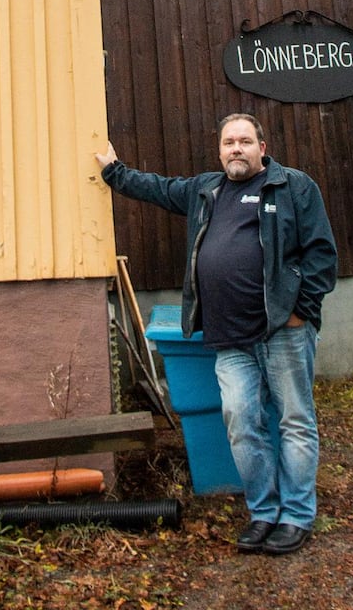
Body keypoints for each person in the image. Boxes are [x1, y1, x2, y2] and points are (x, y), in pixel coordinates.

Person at [96, 113, 337, 556]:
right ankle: (264, 512)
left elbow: (322, 253)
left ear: (262, 148)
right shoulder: (207, 190)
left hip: (283, 332)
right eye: (229, 142)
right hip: (231, 340)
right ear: (220, 150)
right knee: (242, 423)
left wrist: (301, 311)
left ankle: (297, 515)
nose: (236, 149)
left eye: (245, 141)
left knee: (295, 421)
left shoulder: (294, 187)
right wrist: (115, 172)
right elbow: (158, 188)